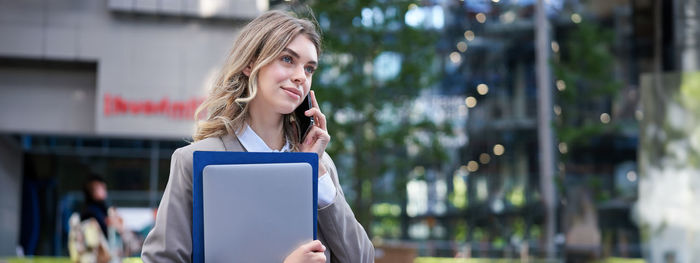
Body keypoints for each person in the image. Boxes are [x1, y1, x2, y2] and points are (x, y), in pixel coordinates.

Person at [141, 10, 374, 263]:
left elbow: (360, 258)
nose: (300, 76)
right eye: (287, 59)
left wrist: (316, 172)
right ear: (250, 64)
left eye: (309, 68)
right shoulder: (194, 161)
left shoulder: (320, 164)